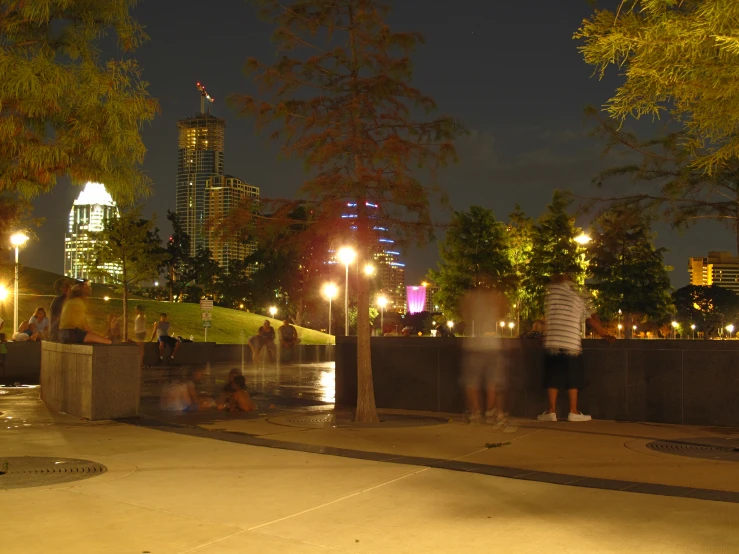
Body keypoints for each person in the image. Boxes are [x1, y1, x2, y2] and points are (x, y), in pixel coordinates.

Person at [537, 274, 615, 423]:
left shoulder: (550, 292)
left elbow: (548, 317)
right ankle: (573, 412)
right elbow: (590, 319)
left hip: (553, 341)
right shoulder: (579, 294)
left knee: (553, 377)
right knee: (573, 378)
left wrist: (543, 334)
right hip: (571, 342)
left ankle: (551, 412)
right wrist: (605, 334)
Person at [459, 289, 509, 425]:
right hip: (492, 345)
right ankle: (490, 412)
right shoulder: (495, 298)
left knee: (472, 381)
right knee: (492, 381)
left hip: (475, 345)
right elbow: (502, 312)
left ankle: (475, 413)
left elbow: (465, 313)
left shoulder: (471, 297)